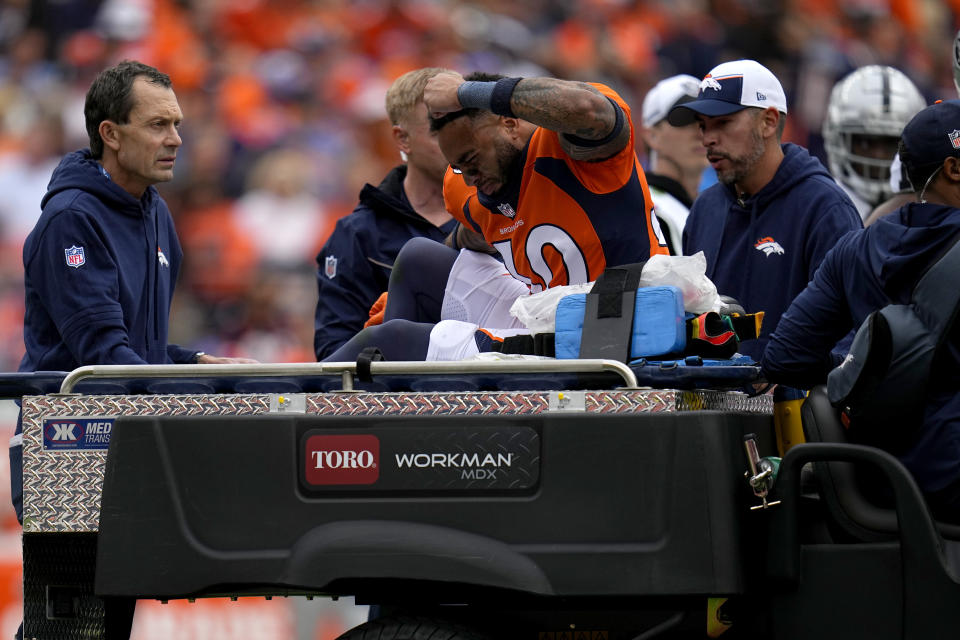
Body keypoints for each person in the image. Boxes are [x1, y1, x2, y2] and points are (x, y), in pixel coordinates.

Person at [9, 60, 254, 526]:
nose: (176, 139)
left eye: (177, 124)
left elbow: (135, 349)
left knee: (124, 599)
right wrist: (201, 389)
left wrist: (194, 362)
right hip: (65, 448)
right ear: (112, 134)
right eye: (158, 124)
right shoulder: (71, 220)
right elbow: (102, 359)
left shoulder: (156, 212)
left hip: (128, 435)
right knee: (79, 599)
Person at [325, 71, 671, 362]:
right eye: (458, 166)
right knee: (417, 257)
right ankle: (397, 403)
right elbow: (471, 237)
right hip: (549, 317)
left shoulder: (572, 152)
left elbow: (585, 107)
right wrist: (414, 291)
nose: (469, 177)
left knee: (393, 340)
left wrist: (466, 93)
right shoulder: (468, 185)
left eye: (472, 159)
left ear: (509, 124)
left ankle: (290, 391)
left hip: (616, 326)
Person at [762, 99, 960, 521]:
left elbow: (785, 356)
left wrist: (867, 365)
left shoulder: (855, 248)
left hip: (878, 478)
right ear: (953, 169)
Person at [669, 59, 862, 362]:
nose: (708, 139)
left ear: (769, 121)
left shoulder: (824, 208)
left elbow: (849, 338)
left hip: (792, 406)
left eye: (723, 123)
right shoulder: (705, 209)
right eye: (703, 126)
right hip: (711, 404)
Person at [313, 67, 457, 359]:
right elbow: (334, 350)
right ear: (402, 139)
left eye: (461, 125)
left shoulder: (503, 214)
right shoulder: (358, 234)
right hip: (396, 393)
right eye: (438, 129)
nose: (456, 141)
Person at [822, 65, 926, 220]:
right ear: (837, 139)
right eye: (865, 143)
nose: (878, 154)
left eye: (892, 144)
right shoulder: (816, 209)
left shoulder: (929, 214)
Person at [640, 74, 709, 255]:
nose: (701, 132)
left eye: (706, 120)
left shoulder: (710, 210)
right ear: (652, 136)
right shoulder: (647, 212)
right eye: (685, 120)